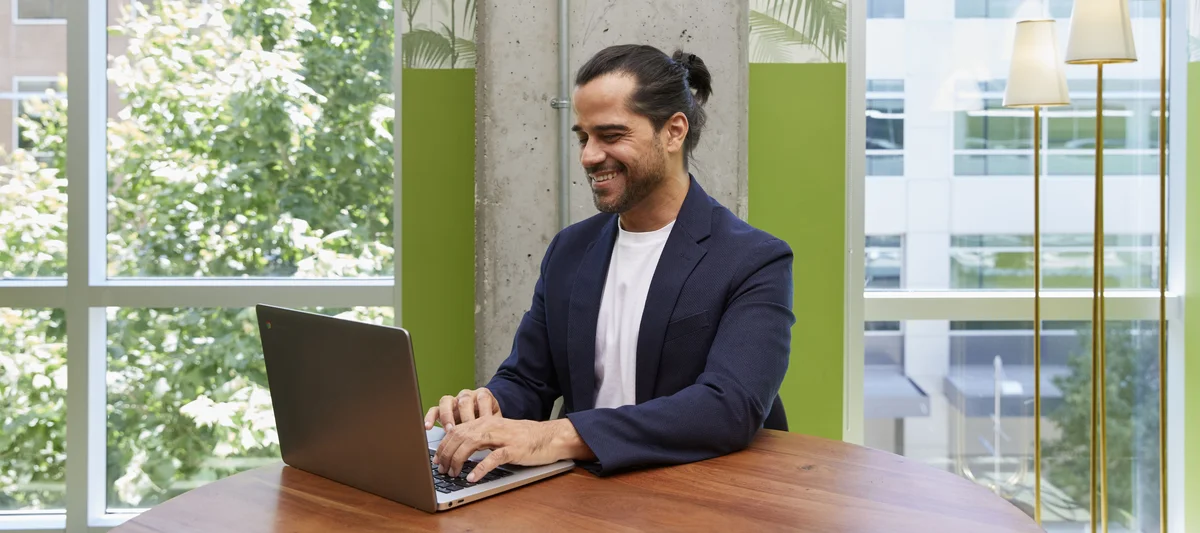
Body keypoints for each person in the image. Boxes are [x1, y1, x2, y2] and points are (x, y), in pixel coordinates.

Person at [425, 44, 795, 482]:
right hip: (589, 492)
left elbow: (730, 406)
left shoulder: (754, 259)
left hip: (705, 493)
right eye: (583, 137)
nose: (588, 156)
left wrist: (553, 437)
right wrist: (489, 405)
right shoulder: (570, 250)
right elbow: (529, 380)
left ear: (674, 131)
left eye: (611, 135)